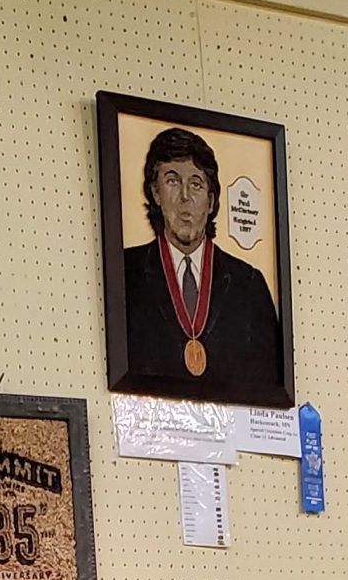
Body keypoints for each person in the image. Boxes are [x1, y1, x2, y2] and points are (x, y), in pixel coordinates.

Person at [116, 124, 285, 404]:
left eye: (196, 183)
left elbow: (267, 386)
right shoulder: (125, 273)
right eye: (172, 180)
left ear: (211, 200)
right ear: (155, 193)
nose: (185, 197)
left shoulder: (249, 285)